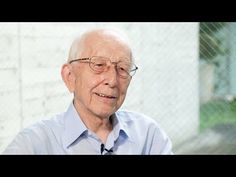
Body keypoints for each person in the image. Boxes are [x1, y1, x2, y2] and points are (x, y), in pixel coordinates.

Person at [3, 28, 173, 154]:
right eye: (99, 65)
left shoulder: (149, 136)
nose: (112, 81)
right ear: (70, 76)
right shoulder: (33, 145)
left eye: (122, 69)